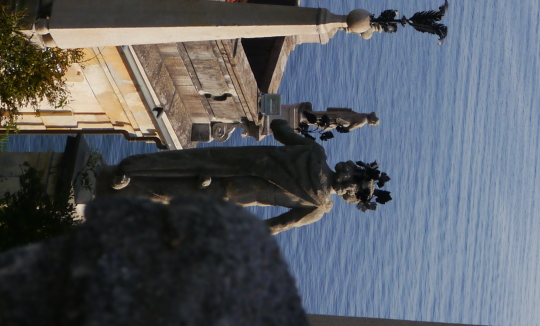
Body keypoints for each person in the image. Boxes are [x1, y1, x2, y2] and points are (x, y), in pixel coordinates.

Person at [97, 119, 391, 234]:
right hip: (233, 192)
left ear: (350, 172)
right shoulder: (318, 207)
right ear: (350, 195)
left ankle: (128, 170)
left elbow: (279, 129)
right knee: (177, 194)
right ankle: (122, 190)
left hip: (233, 160)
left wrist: (285, 121)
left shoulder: (315, 152)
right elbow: (273, 227)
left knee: (181, 162)